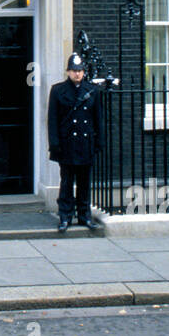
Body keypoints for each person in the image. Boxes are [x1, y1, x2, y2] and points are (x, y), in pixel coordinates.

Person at [47, 52, 103, 233]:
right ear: (68, 72)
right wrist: (54, 143)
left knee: (84, 182)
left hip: (85, 143)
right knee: (67, 182)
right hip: (67, 144)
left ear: (84, 72)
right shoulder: (58, 91)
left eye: (79, 70)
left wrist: (99, 142)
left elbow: (98, 119)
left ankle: (84, 215)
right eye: (73, 70)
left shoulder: (92, 91)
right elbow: (53, 120)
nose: (77, 74)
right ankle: (65, 216)